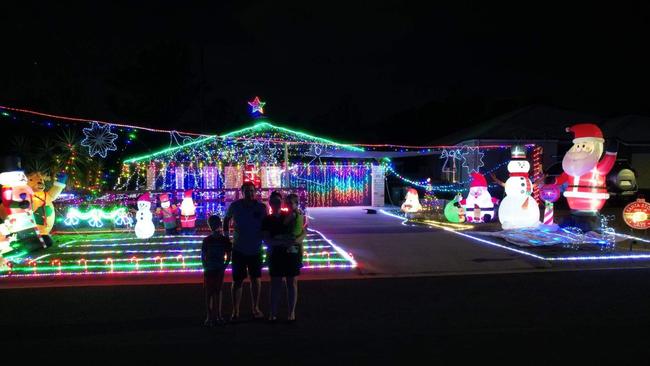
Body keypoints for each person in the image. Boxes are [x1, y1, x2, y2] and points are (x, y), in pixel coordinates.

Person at [223, 181, 268, 321]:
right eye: (246, 190)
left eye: (252, 190)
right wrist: (226, 238)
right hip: (239, 249)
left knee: (256, 280)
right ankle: (235, 310)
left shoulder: (261, 207)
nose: (249, 193)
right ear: (242, 192)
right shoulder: (235, 206)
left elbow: (266, 225)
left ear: (255, 192)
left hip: (255, 248)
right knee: (237, 281)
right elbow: (226, 220)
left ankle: (255, 307)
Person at [262, 192, 306, 323]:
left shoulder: (288, 216)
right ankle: (273, 312)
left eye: (278, 201)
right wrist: (286, 242)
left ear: (282, 203)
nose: (276, 204)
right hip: (276, 255)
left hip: (291, 254)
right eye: (273, 201)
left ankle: (291, 312)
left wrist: (297, 240)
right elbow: (267, 240)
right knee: (275, 284)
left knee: (292, 283)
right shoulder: (267, 220)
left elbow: (303, 232)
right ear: (270, 203)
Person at [201, 215, 232, 327]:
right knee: (216, 292)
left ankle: (211, 316)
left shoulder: (208, 240)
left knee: (211, 292)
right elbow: (228, 256)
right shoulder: (224, 240)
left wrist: (205, 266)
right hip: (216, 268)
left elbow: (203, 256)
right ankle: (216, 316)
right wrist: (224, 266)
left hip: (212, 268)